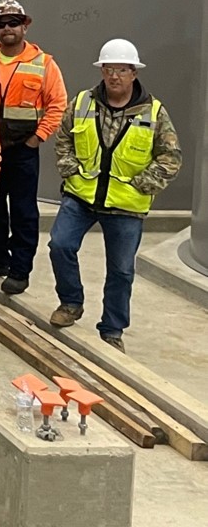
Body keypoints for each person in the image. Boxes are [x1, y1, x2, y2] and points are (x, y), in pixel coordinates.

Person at [49, 39, 181, 352]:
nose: (114, 76)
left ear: (133, 73)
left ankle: (112, 329)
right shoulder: (82, 102)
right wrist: (69, 170)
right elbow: (63, 138)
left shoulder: (154, 112)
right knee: (60, 245)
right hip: (81, 197)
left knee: (121, 271)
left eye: (121, 69)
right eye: (109, 69)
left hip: (125, 206)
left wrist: (143, 184)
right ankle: (70, 303)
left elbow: (170, 157)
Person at [0, 0, 68, 296]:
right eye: (2, 24)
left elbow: (57, 104)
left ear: (24, 26)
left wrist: (37, 138)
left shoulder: (44, 64)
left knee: (23, 212)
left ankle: (20, 270)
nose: (8, 28)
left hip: (23, 151)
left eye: (13, 22)